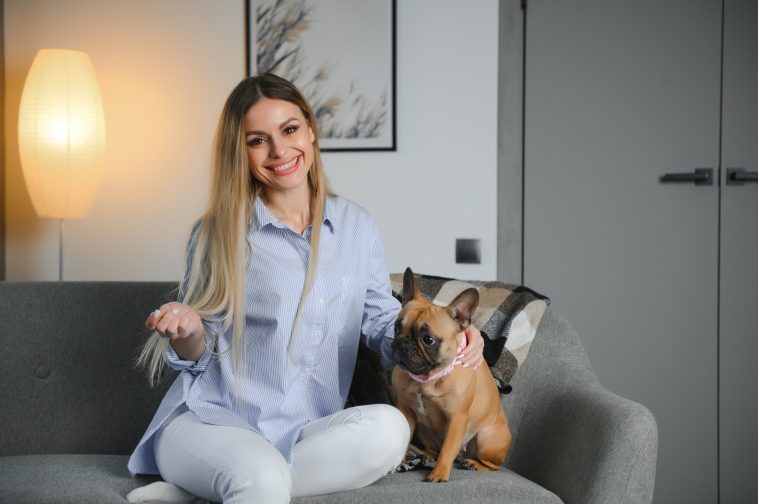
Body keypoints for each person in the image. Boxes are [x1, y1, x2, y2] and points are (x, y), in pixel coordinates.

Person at [126, 73, 485, 504]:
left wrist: (456, 338)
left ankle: (200, 493)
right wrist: (188, 331)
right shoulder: (216, 234)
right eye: (258, 140)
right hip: (212, 424)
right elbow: (199, 358)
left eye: (290, 129)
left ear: (310, 131)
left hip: (306, 433)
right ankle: (232, 480)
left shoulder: (356, 226)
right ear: (239, 151)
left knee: (390, 430)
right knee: (261, 481)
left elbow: (382, 323)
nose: (280, 150)